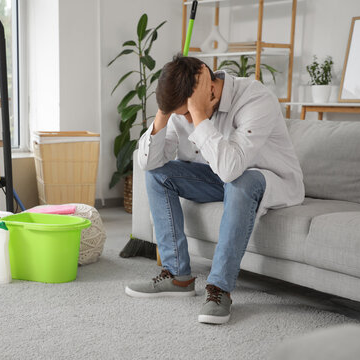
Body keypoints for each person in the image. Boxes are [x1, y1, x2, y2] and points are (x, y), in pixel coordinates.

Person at [125, 54, 304, 325]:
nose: (183, 120)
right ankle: (177, 276)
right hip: (219, 177)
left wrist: (197, 113)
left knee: (241, 180)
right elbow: (148, 162)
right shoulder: (179, 109)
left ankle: (219, 288)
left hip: (267, 179)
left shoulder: (255, 98)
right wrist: (164, 114)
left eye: (185, 113)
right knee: (157, 174)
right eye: (180, 114)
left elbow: (232, 169)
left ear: (208, 87)